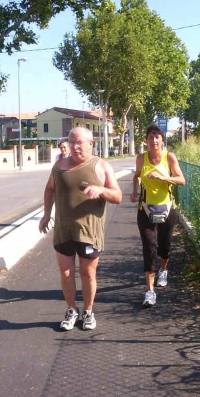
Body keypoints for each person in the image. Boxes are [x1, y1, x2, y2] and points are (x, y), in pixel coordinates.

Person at [39, 127, 122, 331]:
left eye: (79, 142)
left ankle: (88, 312)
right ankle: (71, 309)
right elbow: (50, 189)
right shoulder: (59, 167)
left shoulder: (100, 166)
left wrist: (101, 190)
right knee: (66, 274)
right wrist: (46, 214)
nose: (74, 146)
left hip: (89, 232)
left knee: (87, 274)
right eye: (71, 142)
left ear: (91, 144)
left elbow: (117, 196)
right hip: (64, 231)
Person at [130, 123, 185, 308]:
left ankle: (164, 269)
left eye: (157, 137)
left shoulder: (169, 157)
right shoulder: (141, 158)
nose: (153, 140)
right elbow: (137, 175)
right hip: (145, 208)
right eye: (150, 137)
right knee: (149, 247)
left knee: (164, 244)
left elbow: (181, 180)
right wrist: (134, 190)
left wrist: (164, 178)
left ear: (162, 140)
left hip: (167, 208)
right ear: (146, 140)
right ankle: (150, 291)